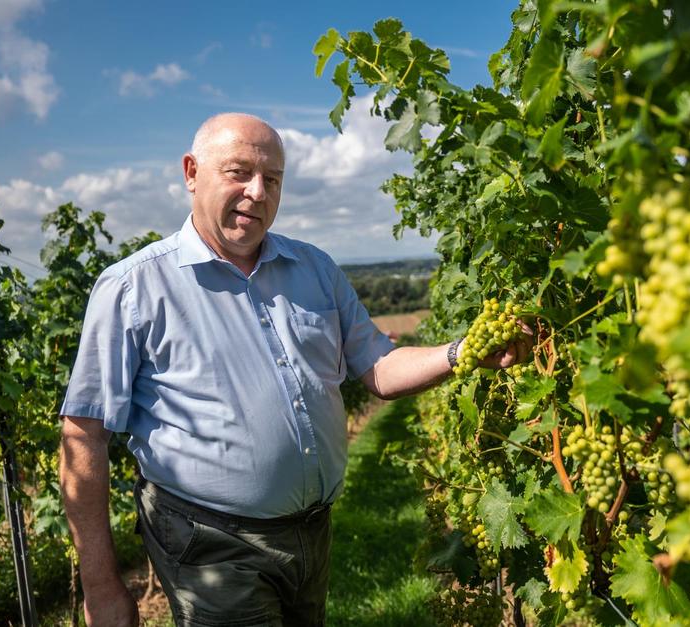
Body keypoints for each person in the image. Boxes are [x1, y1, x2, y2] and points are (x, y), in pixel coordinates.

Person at [59, 113, 528, 627]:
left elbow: (380, 366)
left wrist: (462, 353)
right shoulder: (133, 288)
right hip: (210, 542)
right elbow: (84, 435)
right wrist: (101, 586)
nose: (258, 192)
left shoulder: (316, 270)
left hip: (310, 534)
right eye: (239, 173)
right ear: (191, 172)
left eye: (273, 179)